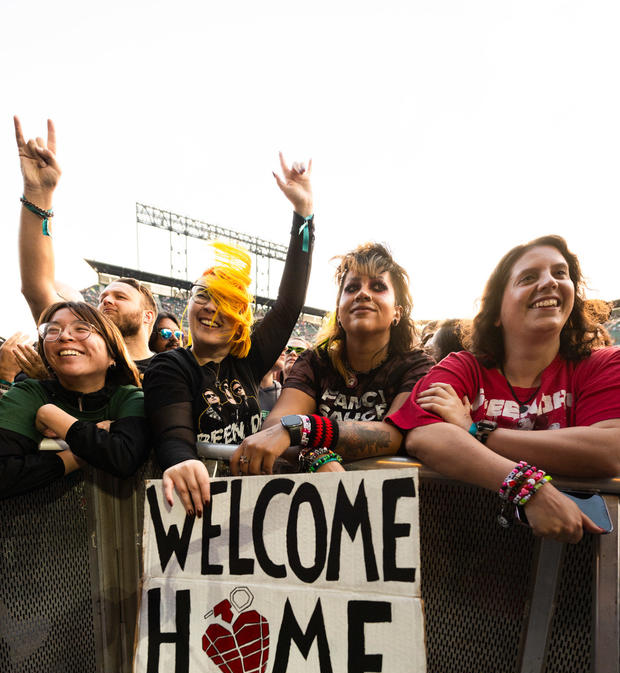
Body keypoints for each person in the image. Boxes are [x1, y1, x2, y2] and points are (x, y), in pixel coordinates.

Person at [389, 235, 620, 543]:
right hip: (460, 559)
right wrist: (527, 489)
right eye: (528, 277)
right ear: (497, 312)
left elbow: (609, 449)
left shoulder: (602, 365)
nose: (550, 282)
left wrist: (478, 432)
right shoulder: (463, 367)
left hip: (569, 569)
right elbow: (424, 435)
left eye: (560, 273)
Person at [143, 154, 314, 516]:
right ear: (188, 305)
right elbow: (173, 436)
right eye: (202, 296)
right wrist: (181, 461)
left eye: (224, 302)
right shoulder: (171, 367)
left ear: (240, 319)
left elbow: (288, 305)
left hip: (256, 508)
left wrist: (304, 215)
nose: (210, 308)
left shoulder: (248, 361)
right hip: (199, 509)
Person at [231, 242, 433, 476]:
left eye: (378, 286)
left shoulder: (416, 366)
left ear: (397, 312)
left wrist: (303, 429)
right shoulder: (315, 362)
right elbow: (275, 426)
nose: (363, 294)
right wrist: (314, 456)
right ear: (339, 312)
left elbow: (392, 435)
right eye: (352, 288)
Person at [14, 118, 156, 373]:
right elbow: (37, 288)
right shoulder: (83, 359)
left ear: (148, 316)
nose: (106, 301)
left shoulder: (175, 368)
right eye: (103, 297)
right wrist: (38, 193)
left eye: (120, 296)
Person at [0, 301, 149, 499]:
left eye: (81, 328)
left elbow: (123, 458)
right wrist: (81, 452)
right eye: (53, 330)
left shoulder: (130, 397)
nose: (64, 336)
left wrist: (52, 416)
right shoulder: (28, 393)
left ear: (112, 353)